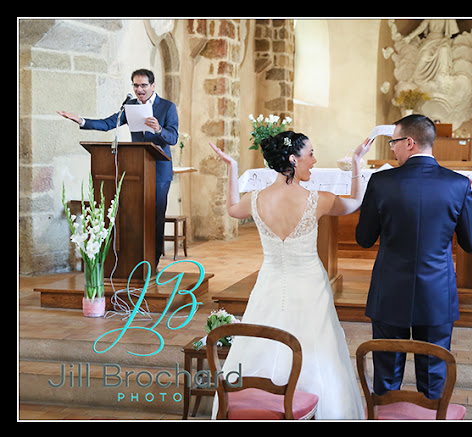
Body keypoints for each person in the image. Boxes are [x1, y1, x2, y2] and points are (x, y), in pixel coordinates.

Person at [209, 131, 369, 419]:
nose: (314, 160)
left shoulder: (255, 199)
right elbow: (355, 201)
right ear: (294, 160)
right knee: (317, 346)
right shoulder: (318, 199)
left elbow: (232, 208)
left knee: (264, 340)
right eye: (311, 154)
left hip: (269, 284)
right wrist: (357, 161)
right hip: (311, 286)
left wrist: (232, 167)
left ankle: (264, 404)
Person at [355, 114, 472, 400]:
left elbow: (364, 239)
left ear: (409, 142)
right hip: (437, 291)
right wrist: (466, 198)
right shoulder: (458, 185)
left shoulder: (381, 182)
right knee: (434, 374)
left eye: (394, 142)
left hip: (390, 288)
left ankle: (385, 414)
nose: (392, 148)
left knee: (386, 374)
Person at [58, 69, 179, 269]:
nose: (139, 89)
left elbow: (173, 138)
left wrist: (159, 129)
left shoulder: (167, 107)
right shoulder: (129, 107)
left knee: (155, 216)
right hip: (136, 169)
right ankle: (133, 259)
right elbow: (108, 123)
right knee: (133, 214)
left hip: (159, 170)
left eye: (143, 85)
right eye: (136, 85)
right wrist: (81, 121)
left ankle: (154, 259)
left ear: (153, 85)